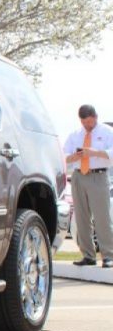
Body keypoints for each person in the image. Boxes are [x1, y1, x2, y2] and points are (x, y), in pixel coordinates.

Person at [64, 105, 113, 268]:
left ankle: (108, 255)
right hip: (79, 176)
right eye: (85, 123)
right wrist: (75, 156)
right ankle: (88, 255)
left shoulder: (106, 132)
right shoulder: (75, 135)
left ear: (95, 117)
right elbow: (64, 157)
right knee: (81, 218)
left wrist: (94, 152)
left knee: (102, 218)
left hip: (98, 176)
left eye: (90, 123)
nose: (88, 126)